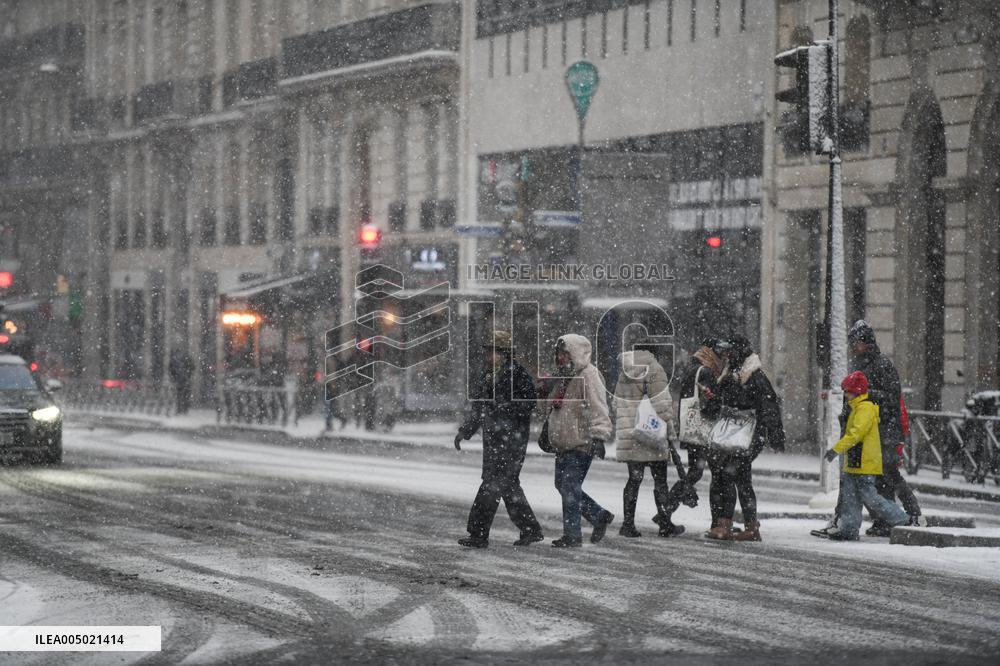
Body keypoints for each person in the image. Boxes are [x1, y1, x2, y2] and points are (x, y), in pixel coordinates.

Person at [812, 320, 922, 538]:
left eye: (857, 342)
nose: (854, 346)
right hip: (871, 431)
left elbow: (891, 399)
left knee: (888, 476)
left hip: (883, 432)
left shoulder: (881, 365)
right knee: (866, 479)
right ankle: (875, 521)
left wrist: (865, 397)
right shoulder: (862, 365)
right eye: (852, 342)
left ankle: (912, 516)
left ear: (867, 342)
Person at [454, 331, 544, 549]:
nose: (488, 356)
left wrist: (507, 409)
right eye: (487, 351)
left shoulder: (518, 374)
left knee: (492, 485)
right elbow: (479, 408)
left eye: (492, 351)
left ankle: (478, 534)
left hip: (511, 440)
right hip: (495, 440)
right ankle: (530, 529)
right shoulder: (487, 375)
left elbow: (530, 402)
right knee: (508, 486)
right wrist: (465, 431)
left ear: (504, 353)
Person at [704, 335, 785, 542]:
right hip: (733, 432)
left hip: (748, 434)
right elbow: (724, 399)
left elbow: (769, 404)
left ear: (739, 352)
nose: (726, 355)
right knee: (739, 479)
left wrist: (775, 434)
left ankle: (727, 525)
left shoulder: (754, 374)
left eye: (729, 351)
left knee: (731, 475)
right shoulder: (732, 371)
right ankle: (748, 526)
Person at [822, 371, 909, 541]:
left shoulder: (865, 409)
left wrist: (836, 450)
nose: (845, 395)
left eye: (847, 391)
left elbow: (856, 434)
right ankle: (848, 529)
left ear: (855, 391)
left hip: (865, 462)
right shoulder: (858, 408)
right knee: (850, 497)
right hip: (856, 462)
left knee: (871, 497)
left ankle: (902, 520)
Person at [545, 334, 614, 548]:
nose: (561, 357)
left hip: (581, 441)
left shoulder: (589, 375)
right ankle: (598, 515)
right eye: (559, 353)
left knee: (569, 486)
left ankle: (573, 535)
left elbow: (598, 407)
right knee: (563, 485)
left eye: (565, 353)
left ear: (575, 353)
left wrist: (599, 436)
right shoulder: (565, 376)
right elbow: (556, 407)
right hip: (565, 442)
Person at [612, 346, 680, 538]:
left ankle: (627, 524)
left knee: (634, 479)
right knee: (660, 481)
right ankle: (665, 525)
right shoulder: (654, 368)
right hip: (652, 434)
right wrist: (670, 432)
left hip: (631, 433)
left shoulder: (625, 370)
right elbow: (661, 404)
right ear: (653, 352)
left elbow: (616, 403)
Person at [656, 339, 722, 532]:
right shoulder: (706, 372)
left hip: (690, 428)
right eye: (718, 352)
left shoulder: (693, 369)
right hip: (702, 430)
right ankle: (717, 522)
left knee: (694, 472)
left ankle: (666, 510)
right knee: (712, 475)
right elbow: (711, 404)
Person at [168, 347, 194, 415]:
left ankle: (179, 409)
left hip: (178, 380)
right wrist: (188, 375)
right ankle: (185, 410)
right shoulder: (186, 357)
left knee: (178, 395)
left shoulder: (174, 358)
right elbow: (192, 367)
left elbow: (171, 369)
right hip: (185, 379)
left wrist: (174, 378)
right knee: (185, 395)